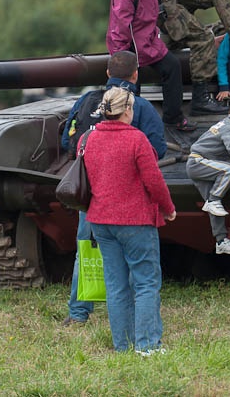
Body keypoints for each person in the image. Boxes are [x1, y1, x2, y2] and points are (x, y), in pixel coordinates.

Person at [63, 51, 167, 327]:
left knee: (85, 250)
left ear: (107, 74)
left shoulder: (86, 101)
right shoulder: (140, 107)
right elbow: (157, 150)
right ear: (136, 75)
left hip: (90, 197)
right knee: (135, 261)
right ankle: (135, 315)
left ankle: (78, 312)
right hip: (128, 198)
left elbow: (67, 141)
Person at [83, 87, 176, 355]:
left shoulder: (89, 139)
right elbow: (154, 182)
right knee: (146, 282)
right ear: (127, 111)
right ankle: (148, 346)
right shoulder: (137, 140)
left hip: (100, 220)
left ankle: (122, 346)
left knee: (116, 284)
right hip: (134, 220)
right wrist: (168, 209)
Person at [107, 0, 194, 131]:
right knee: (131, 86)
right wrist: (122, 55)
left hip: (148, 42)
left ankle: (173, 117)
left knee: (172, 66)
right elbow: (122, 23)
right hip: (130, 46)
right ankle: (132, 126)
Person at [185, 100, 230, 254]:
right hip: (198, 162)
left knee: (215, 208)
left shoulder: (224, 124)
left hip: (202, 164)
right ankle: (213, 200)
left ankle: (221, 240)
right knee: (229, 171)